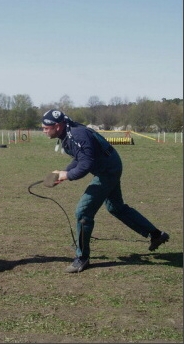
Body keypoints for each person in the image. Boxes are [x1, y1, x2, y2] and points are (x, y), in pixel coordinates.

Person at [41, 109, 169, 273]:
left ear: (57, 126)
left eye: (46, 127)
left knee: (83, 212)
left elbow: (85, 165)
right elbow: (80, 158)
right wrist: (63, 172)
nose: (44, 130)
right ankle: (156, 234)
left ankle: (82, 258)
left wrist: (67, 175)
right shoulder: (67, 134)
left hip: (107, 171)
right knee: (116, 207)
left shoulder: (77, 134)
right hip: (109, 166)